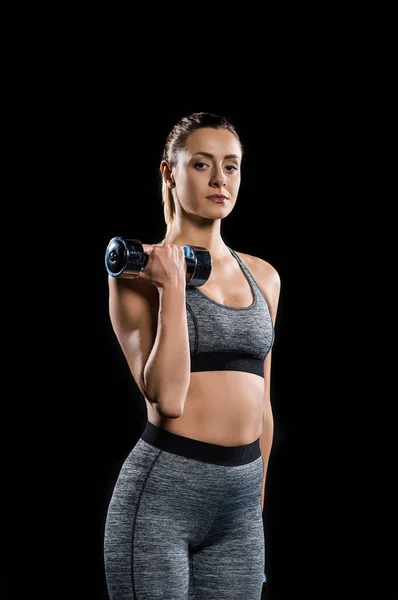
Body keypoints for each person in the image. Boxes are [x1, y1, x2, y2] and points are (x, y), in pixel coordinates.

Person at [103, 112, 281, 600]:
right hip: (163, 500)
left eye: (232, 166)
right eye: (202, 164)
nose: (220, 179)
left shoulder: (263, 277)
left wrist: (252, 510)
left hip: (240, 508)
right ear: (169, 172)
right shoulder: (135, 276)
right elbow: (168, 397)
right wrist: (173, 288)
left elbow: (262, 405)